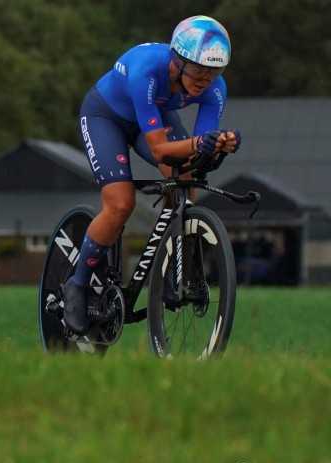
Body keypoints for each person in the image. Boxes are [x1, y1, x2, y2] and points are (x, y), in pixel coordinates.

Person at [63, 15, 242, 334]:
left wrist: (218, 146)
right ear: (179, 59)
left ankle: (182, 270)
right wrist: (201, 143)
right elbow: (160, 150)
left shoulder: (215, 88)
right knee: (120, 204)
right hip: (106, 117)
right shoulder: (147, 69)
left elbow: (196, 156)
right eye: (200, 68)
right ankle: (77, 286)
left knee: (187, 178)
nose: (206, 78)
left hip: (154, 115)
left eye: (215, 70)